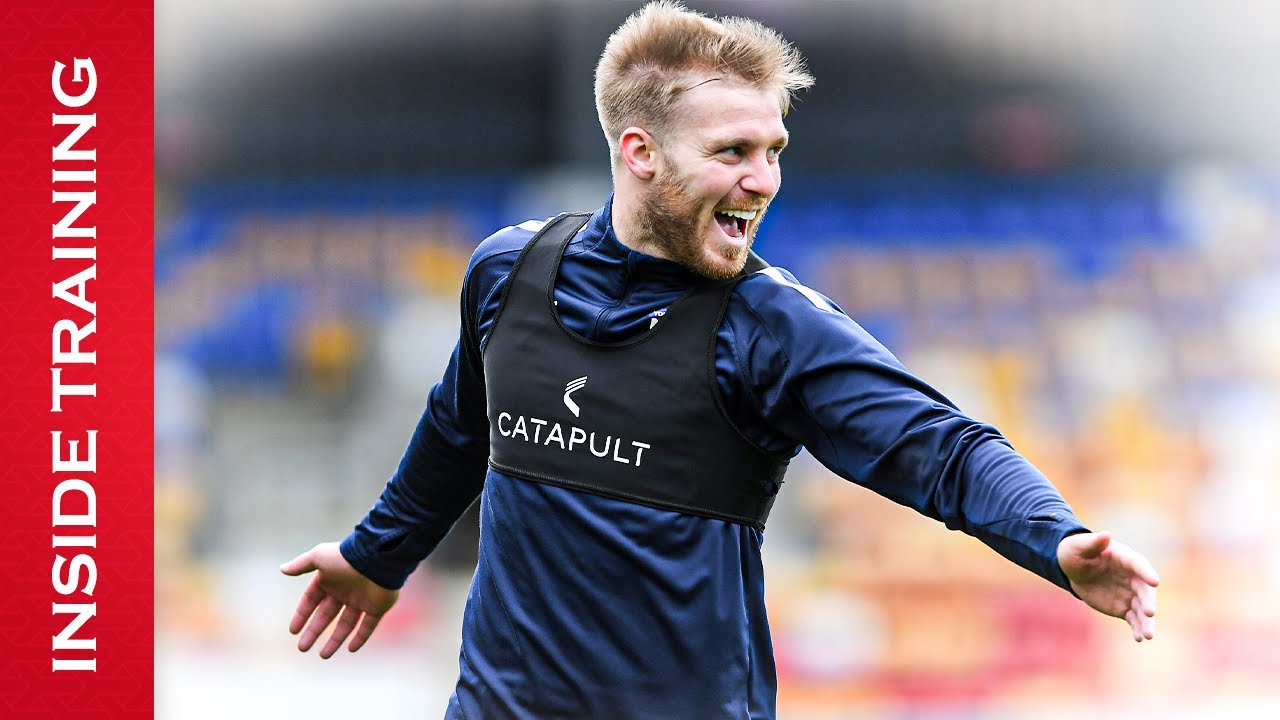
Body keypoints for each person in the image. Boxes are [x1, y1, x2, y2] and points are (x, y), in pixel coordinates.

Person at [281, 2, 1159, 717]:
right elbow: (461, 425)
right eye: (733, 152)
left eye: (773, 150)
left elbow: (940, 444)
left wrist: (1056, 537)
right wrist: (378, 555)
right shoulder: (508, 270)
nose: (764, 179)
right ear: (640, 153)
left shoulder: (773, 327)